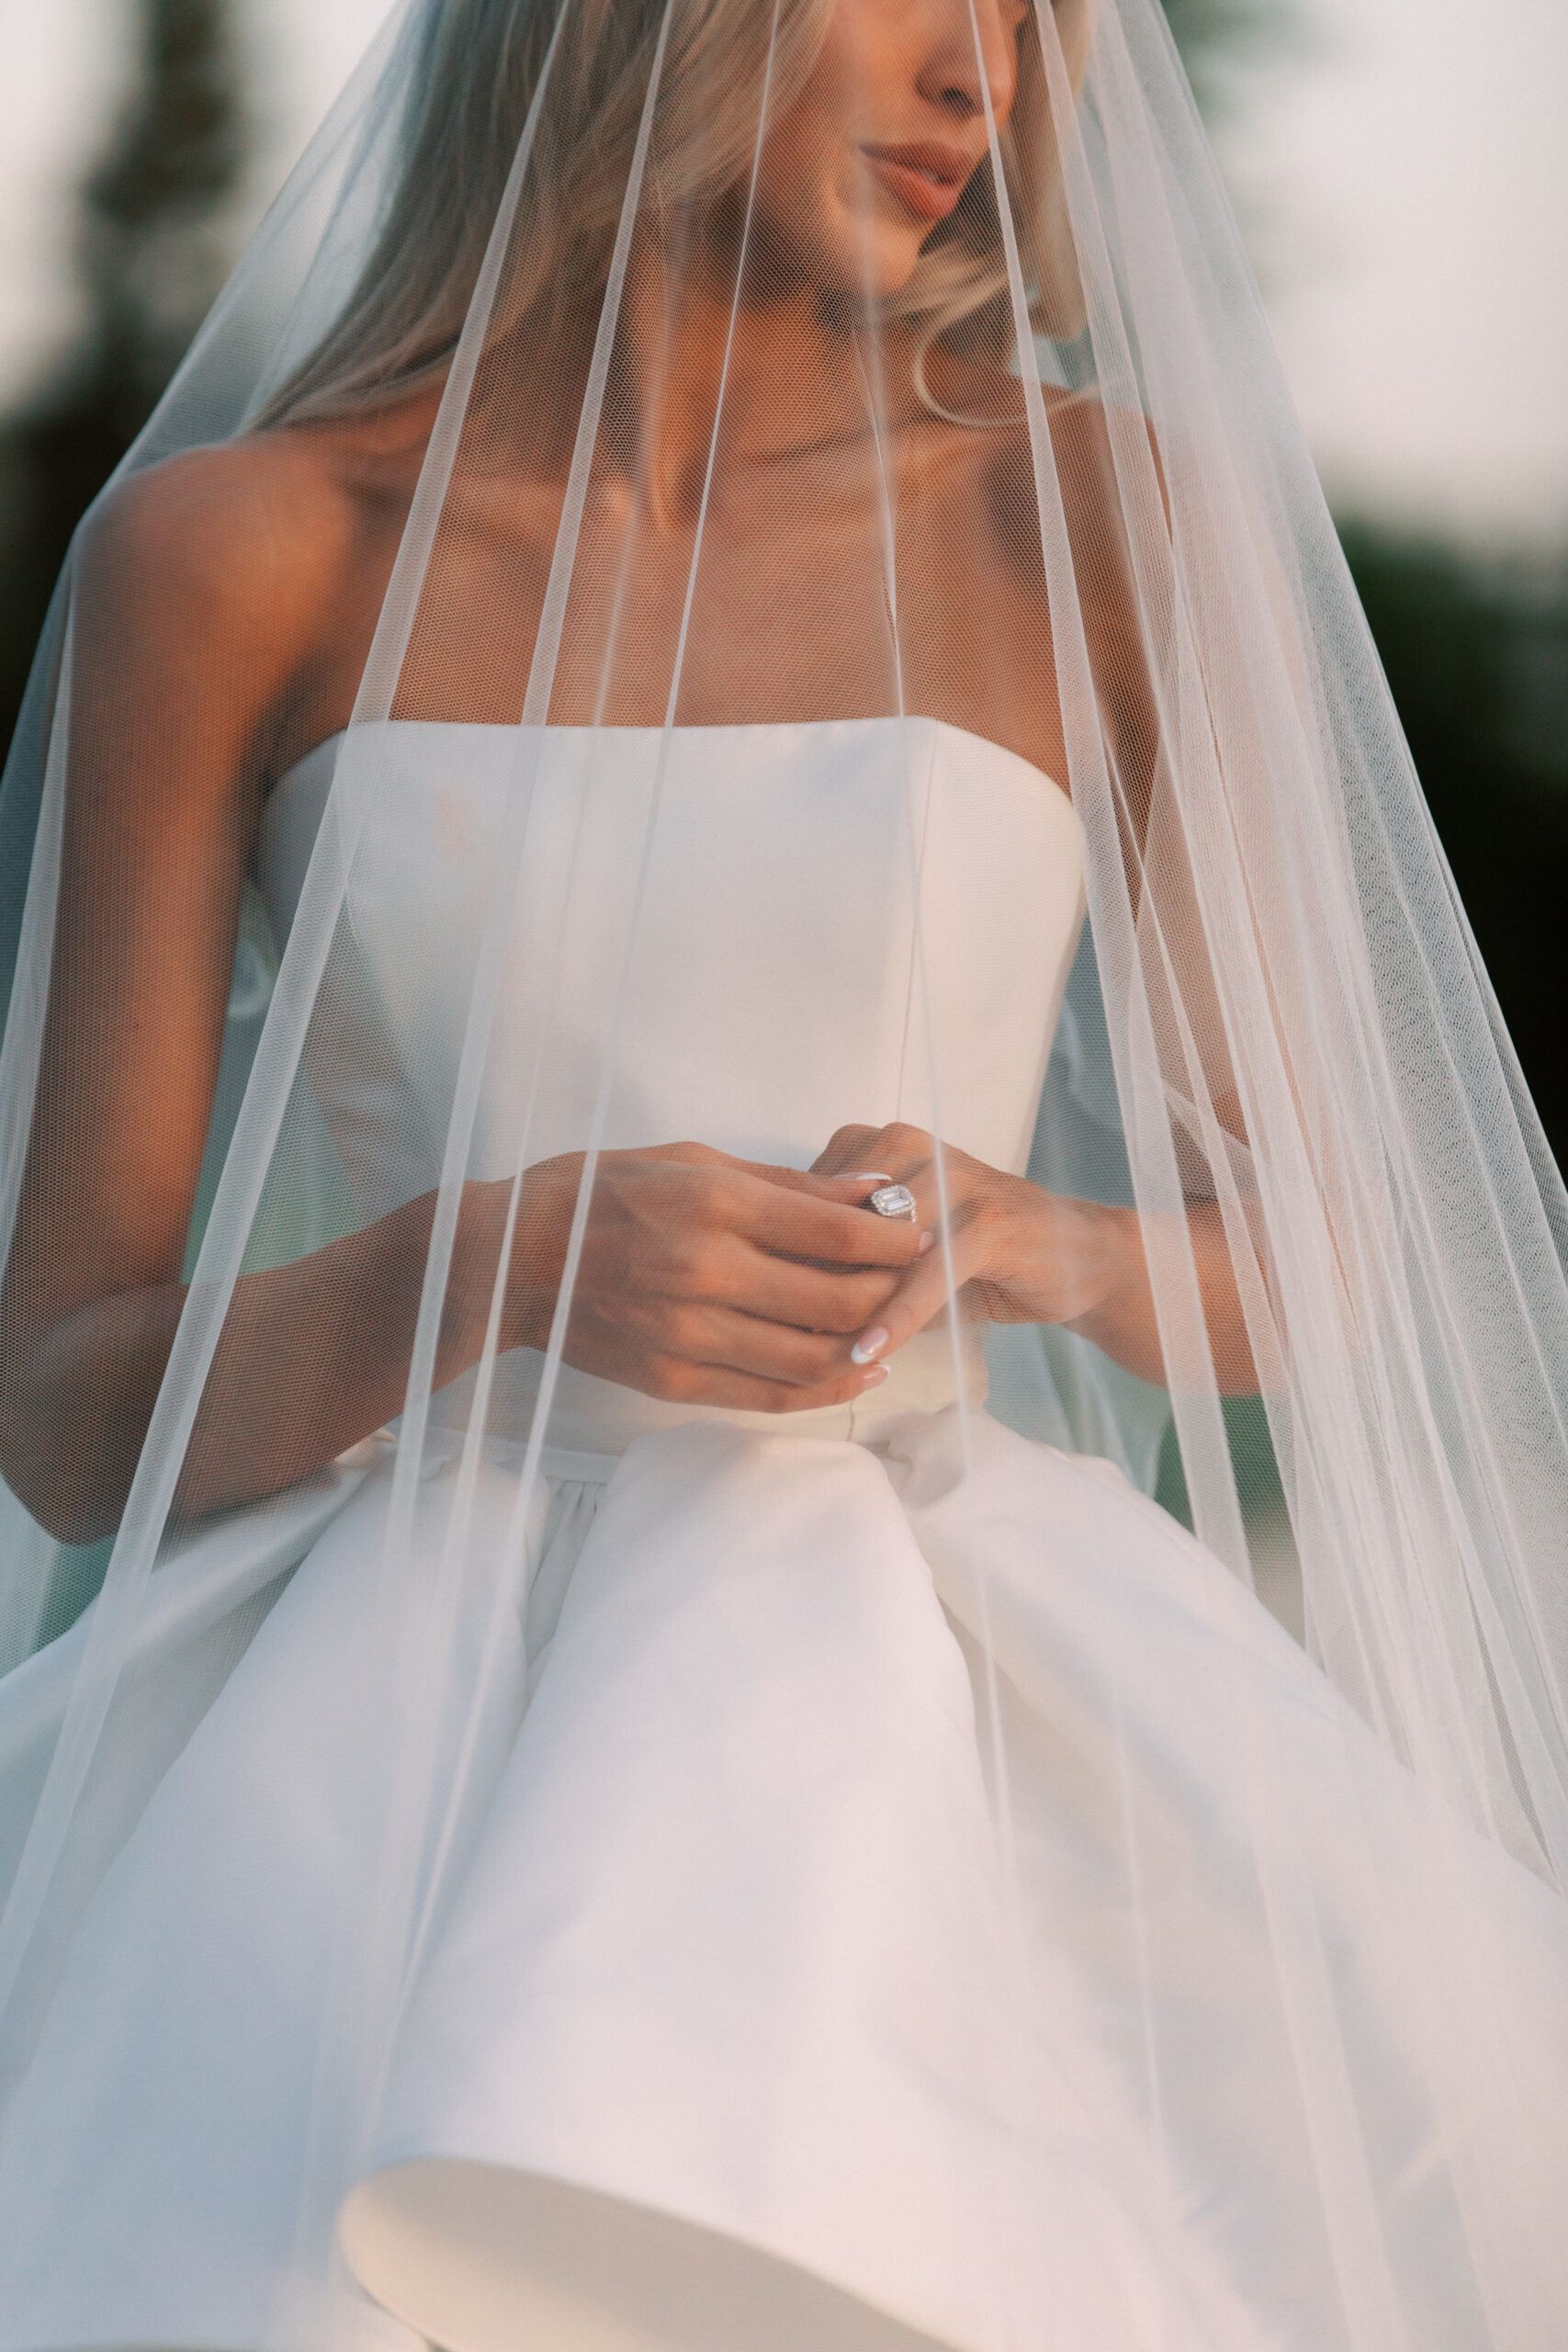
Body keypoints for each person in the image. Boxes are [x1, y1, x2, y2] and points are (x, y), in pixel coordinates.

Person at [0, 0, 1564, 2345]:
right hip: (357, 1775)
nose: (988, 85)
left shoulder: (1094, 521)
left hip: (955, 1718)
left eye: (1030, 27)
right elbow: (62, 1405)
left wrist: (1051, 1239)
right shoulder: (229, 556)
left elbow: (1331, 1259)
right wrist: (496, 1262)